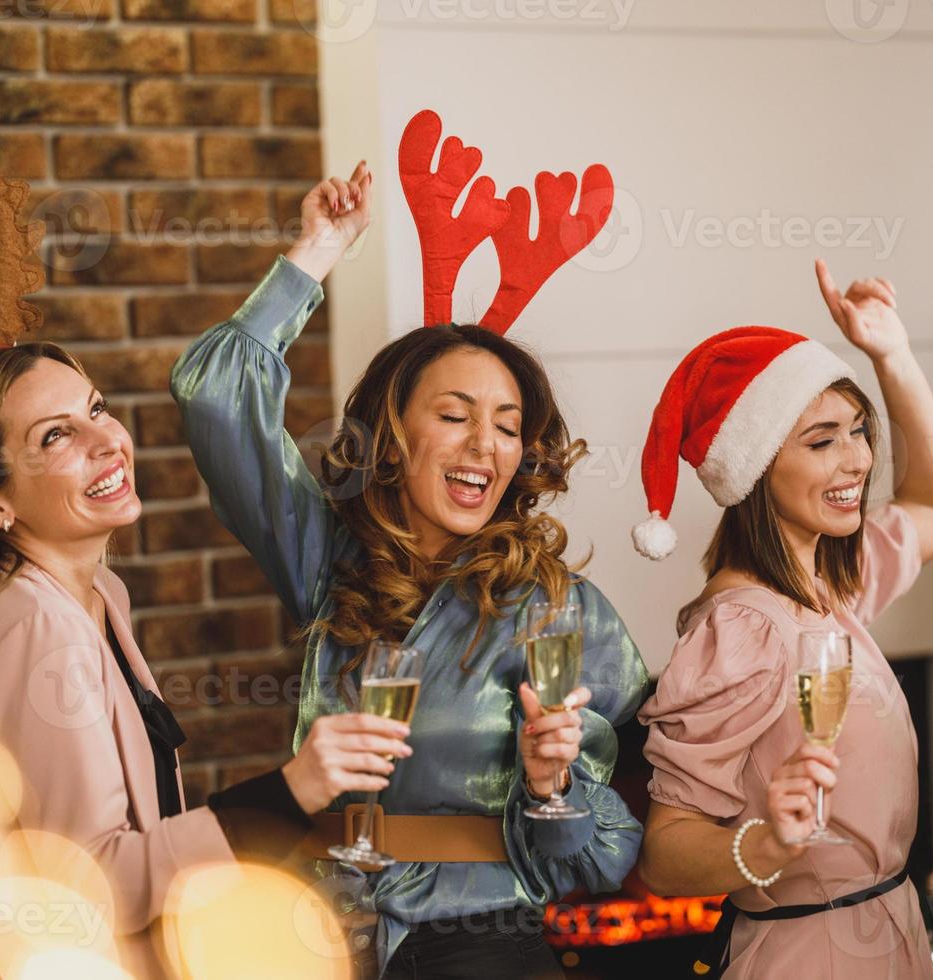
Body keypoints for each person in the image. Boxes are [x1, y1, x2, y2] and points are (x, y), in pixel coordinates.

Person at [170, 157, 649, 979]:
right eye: (454, 416)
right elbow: (216, 402)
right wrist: (315, 252)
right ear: (395, 438)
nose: (483, 445)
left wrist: (548, 787)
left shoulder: (562, 611)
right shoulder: (328, 559)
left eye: (507, 425)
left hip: (486, 948)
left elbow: (596, 860)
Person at [0, 167, 406, 980]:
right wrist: (291, 789)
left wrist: (319, 245)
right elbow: (87, 886)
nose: (104, 442)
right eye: (54, 437)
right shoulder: (31, 625)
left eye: (97, 409)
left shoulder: (93, 595)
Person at [633, 260, 933, 978]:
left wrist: (893, 355)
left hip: (890, 938)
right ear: (754, 471)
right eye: (821, 442)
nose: (856, 461)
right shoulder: (742, 631)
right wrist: (765, 847)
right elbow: (663, 851)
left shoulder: (830, 585)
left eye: (857, 430)